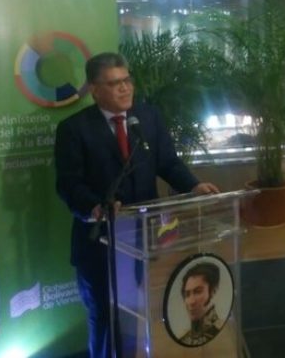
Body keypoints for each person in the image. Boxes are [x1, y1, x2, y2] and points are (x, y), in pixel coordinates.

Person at [55, 52, 220, 358]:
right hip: (99, 241)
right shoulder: (74, 129)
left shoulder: (148, 117)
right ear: (95, 90)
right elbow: (68, 184)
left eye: (127, 80)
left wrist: (193, 185)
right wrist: (94, 207)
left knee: (132, 310)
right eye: (114, 83)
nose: (125, 88)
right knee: (105, 315)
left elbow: (167, 162)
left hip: (139, 237)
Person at [179, 262, 223, 346]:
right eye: (187, 294)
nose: (191, 301)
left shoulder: (222, 330)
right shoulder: (184, 339)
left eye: (198, 292)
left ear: (213, 291)